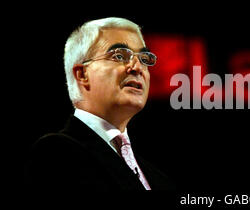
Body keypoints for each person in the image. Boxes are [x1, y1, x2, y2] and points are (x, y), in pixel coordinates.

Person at [25, 17, 174, 191]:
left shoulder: (158, 177)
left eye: (143, 59)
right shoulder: (56, 153)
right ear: (82, 74)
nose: (137, 67)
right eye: (119, 56)